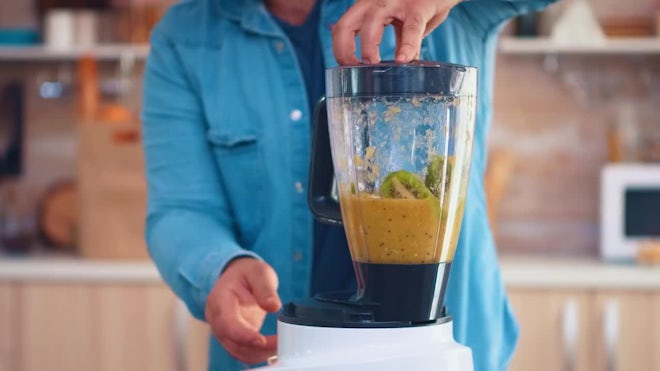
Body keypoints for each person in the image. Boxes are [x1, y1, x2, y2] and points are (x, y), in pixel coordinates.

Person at [141, 0, 554, 370]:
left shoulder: (460, 12)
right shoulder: (188, 37)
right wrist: (219, 269)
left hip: (443, 346)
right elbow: (182, 208)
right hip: (282, 348)